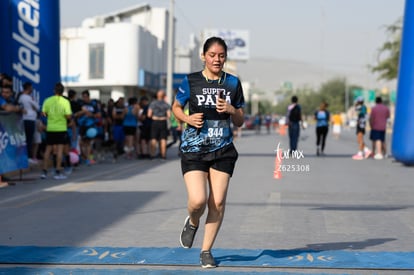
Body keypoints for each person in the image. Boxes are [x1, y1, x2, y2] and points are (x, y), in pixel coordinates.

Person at [172, 37, 245, 268]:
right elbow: (175, 107)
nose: (217, 59)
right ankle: (193, 222)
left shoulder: (232, 83)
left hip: (222, 149)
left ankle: (206, 250)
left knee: (218, 202)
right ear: (203, 56)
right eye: (212, 55)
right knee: (198, 200)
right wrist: (187, 118)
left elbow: (240, 120)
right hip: (194, 149)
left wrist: (232, 109)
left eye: (221, 55)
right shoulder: (191, 81)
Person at [40, 83, 72, 180]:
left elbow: (43, 113)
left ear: (54, 90)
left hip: (50, 128)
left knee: (48, 150)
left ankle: (44, 172)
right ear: (62, 91)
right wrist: (61, 117)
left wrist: (50, 116)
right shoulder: (65, 102)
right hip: (61, 128)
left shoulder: (47, 100)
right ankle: (58, 171)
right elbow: (68, 116)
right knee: (59, 150)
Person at [17, 82, 40, 164]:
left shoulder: (20, 97)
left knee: (25, 139)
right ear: (29, 88)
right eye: (31, 88)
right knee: (29, 139)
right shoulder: (28, 98)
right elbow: (37, 107)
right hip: (29, 119)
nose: (32, 89)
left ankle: (24, 156)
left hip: (23, 119)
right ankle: (29, 157)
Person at [147, 90, 171, 160]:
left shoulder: (153, 104)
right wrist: (164, 117)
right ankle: (163, 156)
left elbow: (149, 115)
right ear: (164, 96)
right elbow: (169, 115)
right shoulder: (166, 104)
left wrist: (155, 117)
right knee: (163, 139)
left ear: (157, 95)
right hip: (163, 122)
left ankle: (152, 155)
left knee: (153, 139)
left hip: (155, 122)